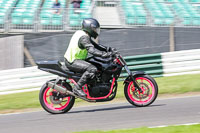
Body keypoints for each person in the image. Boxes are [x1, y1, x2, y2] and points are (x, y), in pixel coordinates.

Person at [64, 18, 112, 97]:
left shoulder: (83, 34)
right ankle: (77, 88)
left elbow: (95, 45)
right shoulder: (84, 37)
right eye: (95, 29)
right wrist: (104, 54)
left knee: (96, 65)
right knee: (92, 69)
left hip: (76, 59)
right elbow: (92, 50)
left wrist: (107, 49)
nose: (96, 31)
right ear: (89, 28)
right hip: (72, 61)